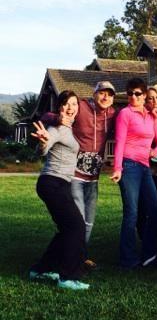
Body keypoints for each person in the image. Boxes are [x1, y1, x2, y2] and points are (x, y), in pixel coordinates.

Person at [41, 81, 116, 269]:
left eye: (109, 94)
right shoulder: (81, 106)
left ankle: (80, 255)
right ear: (94, 94)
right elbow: (48, 114)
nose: (105, 97)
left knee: (89, 222)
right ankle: (71, 260)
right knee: (77, 221)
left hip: (94, 178)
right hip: (74, 175)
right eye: (101, 93)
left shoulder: (114, 114)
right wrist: (56, 119)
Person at [29, 90, 90, 290]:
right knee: (76, 227)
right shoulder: (57, 129)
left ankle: (41, 269)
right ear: (60, 107)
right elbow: (44, 149)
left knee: (67, 229)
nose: (70, 107)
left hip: (61, 184)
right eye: (66, 103)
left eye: (74, 104)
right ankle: (67, 277)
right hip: (52, 182)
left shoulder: (69, 129)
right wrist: (43, 141)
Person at [111, 78, 157, 269]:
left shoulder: (151, 116)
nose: (133, 97)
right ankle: (128, 259)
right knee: (131, 213)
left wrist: (153, 152)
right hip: (129, 166)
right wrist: (118, 168)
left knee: (155, 212)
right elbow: (120, 142)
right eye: (130, 93)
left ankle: (148, 253)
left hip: (145, 167)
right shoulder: (125, 113)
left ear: (144, 95)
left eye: (138, 93)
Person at [137, 87, 157, 244]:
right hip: (145, 168)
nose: (154, 100)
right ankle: (144, 239)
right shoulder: (142, 118)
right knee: (142, 206)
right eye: (150, 98)